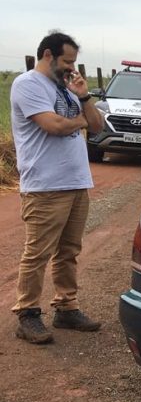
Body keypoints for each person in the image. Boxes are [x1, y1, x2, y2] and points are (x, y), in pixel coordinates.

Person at [9, 31, 105, 344]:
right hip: (45, 185)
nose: (71, 68)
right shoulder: (28, 85)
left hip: (77, 182)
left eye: (74, 62)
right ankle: (28, 314)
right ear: (48, 55)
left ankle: (66, 307)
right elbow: (54, 126)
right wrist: (82, 120)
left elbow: (99, 125)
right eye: (66, 61)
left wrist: (85, 97)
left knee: (69, 251)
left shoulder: (67, 88)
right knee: (37, 252)